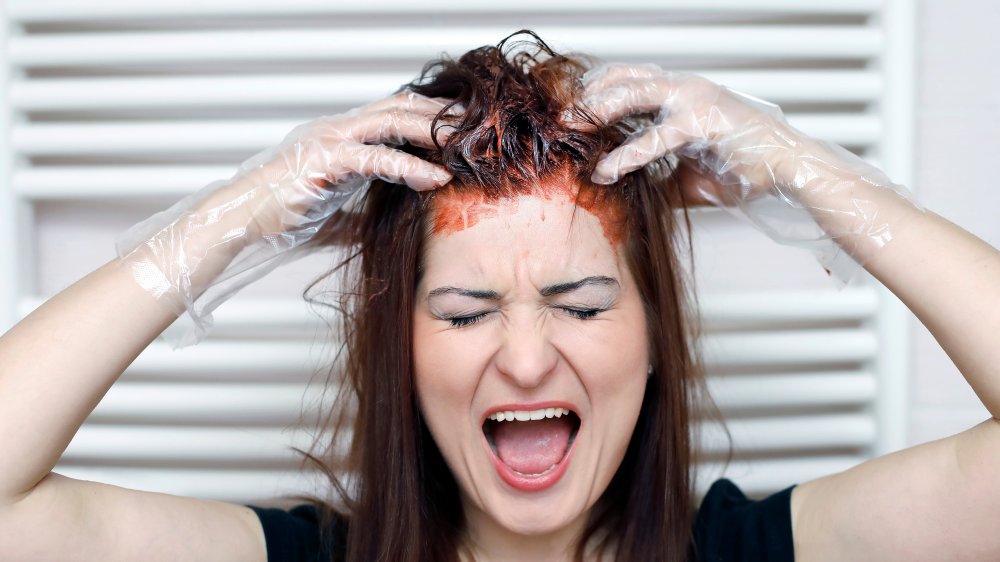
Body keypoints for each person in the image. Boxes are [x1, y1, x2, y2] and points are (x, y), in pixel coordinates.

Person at [1, 30, 998, 562]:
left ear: (654, 337)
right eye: (464, 313)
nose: (524, 358)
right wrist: (238, 211)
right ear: (402, 347)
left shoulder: (760, 550)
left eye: (581, 303)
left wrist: (806, 170)